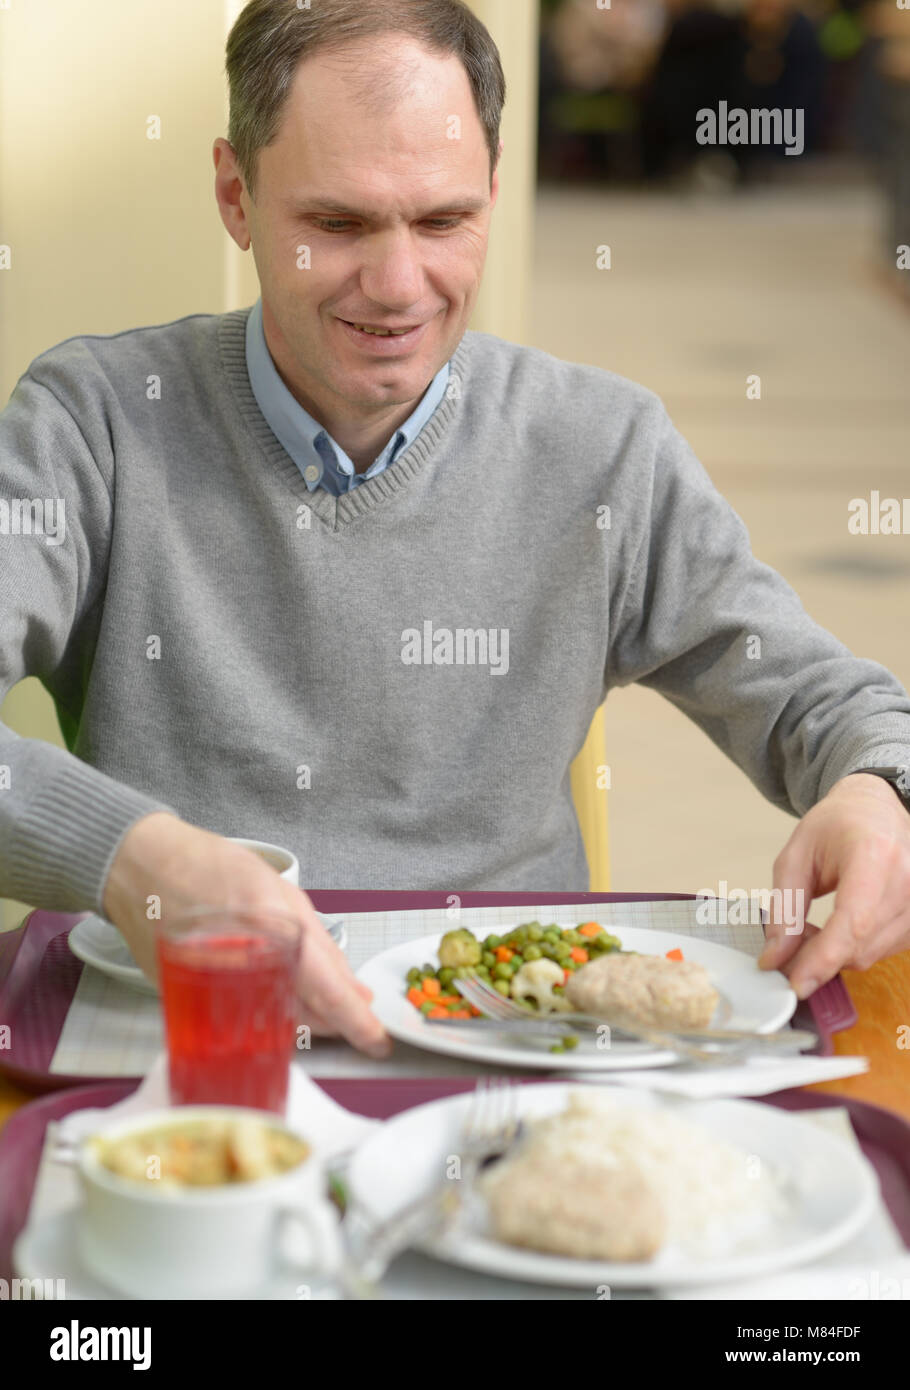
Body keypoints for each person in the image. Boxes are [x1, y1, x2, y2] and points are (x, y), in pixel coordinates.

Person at [2, 0, 909, 1057]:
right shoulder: (94, 422)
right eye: (335, 225)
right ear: (234, 195)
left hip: (518, 1056)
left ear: (492, 193)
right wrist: (130, 856)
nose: (396, 288)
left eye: (442, 223)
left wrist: (875, 790)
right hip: (187, 1055)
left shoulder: (600, 447)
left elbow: (828, 699)